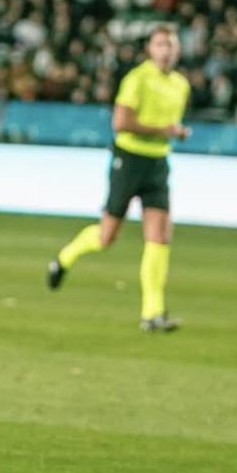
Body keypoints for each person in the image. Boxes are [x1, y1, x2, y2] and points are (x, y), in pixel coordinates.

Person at [46, 25, 191, 332]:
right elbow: (121, 122)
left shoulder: (181, 84)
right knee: (106, 237)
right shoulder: (137, 79)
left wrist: (174, 133)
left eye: (171, 45)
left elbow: (167, 124)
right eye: (161, 44)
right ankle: (64, 258)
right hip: (128, 161)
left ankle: (152, 314)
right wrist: (163, 130)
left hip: (158, 164)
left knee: (160, 237)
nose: (167, 50)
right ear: (150, 49)